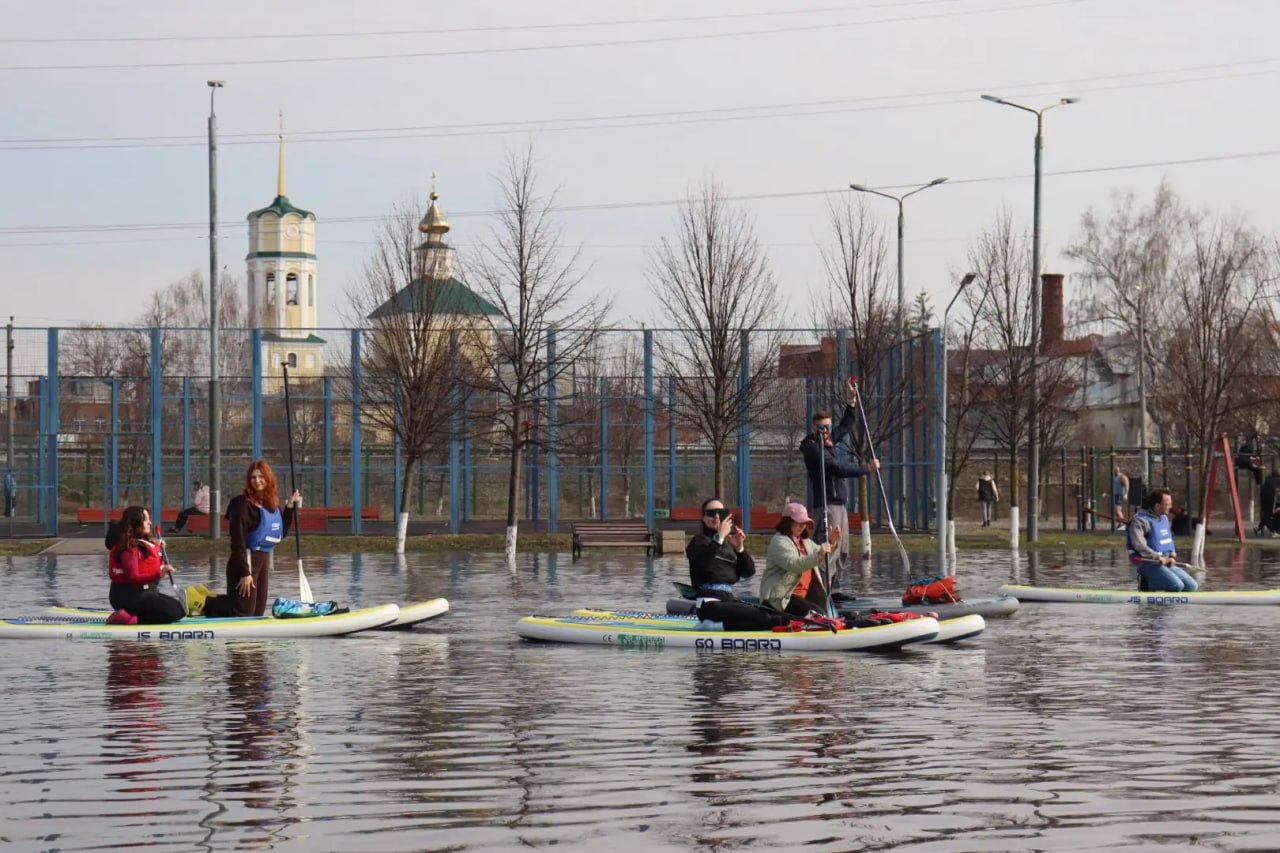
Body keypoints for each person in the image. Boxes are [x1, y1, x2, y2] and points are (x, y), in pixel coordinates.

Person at [799, 378, 879, 583]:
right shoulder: (812, 447)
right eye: (821, 427)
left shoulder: (828, 441)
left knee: (842, 548)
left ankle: (835, 589)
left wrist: (851, 402)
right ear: (813, 427)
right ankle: (821, 587)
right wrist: (866, 468)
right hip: (826, 504)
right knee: (828, 546)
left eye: (827, 427)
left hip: (839, 503)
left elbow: (845, 426)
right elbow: (836, 468)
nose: (825, 431)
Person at [207, 460, 300, 618]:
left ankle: (253, 643)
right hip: (245, 561)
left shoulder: (271, 504)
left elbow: (280, 533)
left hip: (263, 560)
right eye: (253, 478)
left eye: (261, 477)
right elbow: (237, 542)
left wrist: (290, 507)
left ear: (268, 478)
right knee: (243, 612)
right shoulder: (243, 505)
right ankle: (204, 603)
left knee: (257, 611)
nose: (257, 481)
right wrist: (245, 572)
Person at [106, 505, 186, 625]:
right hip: (129, 597)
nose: (150, 522)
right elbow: (133, 577)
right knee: (172, 612)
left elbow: (149, 566)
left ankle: (131, 615)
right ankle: (128, 619)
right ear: (136, 523)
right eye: (146, 519)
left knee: (180, 610)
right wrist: (159, 574)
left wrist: (158, 551)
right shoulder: (128, 548)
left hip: (146, 594)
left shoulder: (142, 544)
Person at [760, 502, 840, 616]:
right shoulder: (779, 542)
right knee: (819, 615)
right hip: (782, 598)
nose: (803, 526)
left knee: (827, 614)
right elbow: (794, 564)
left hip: (805, 596)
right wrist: (819, 555)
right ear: (787, 522)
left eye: (805, 523)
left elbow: (822, 560)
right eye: (799, 522)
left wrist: (832, 544)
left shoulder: (806, 542)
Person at [1127, 488, 1198, 593]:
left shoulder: (1164, 518)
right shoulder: (1140, 521)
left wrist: (1172, 556)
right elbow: (1139, 545)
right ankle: (1145, 583)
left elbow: (1168, 541)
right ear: (1157, 506)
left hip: (1164, 562)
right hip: (1147, 563)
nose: (1170, 507)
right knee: (1177, 586)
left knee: (1191, 586)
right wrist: (1157, 557)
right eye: (1167, 504)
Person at [685, 497, 754, 601]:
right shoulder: (698, 541)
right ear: (704, 518)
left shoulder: (728, 543)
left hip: (727, 596)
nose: (716, 516)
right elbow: (704, 566)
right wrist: (719, 537)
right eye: (711, 513)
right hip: (707, 596)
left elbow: (748, 572)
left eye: (721, 513)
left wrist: (740, 549)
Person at [1260, 469, 1280, 537]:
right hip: (1273, 500)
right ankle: (1274, 531)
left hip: (1265, 501)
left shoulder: (1267, 480)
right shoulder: (1277, 481)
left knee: (1267, 515)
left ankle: (1271, 530)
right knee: (1274, 515)